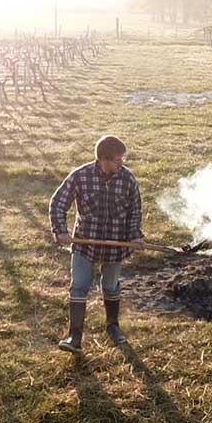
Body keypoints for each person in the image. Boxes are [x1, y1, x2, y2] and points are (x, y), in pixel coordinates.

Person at [49, 134, 144, 353]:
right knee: (79, 285)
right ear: (103, 159)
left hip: (115, 245)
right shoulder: (80, 176)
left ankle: (113, 327)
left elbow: (135, 211)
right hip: (85, 244)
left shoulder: (128, 179)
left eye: (122, 159)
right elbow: (58, 203)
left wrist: (134, 236)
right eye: (117, 160)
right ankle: (75, 336)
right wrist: (61, 231)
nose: (121, 164)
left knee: (110, 286)